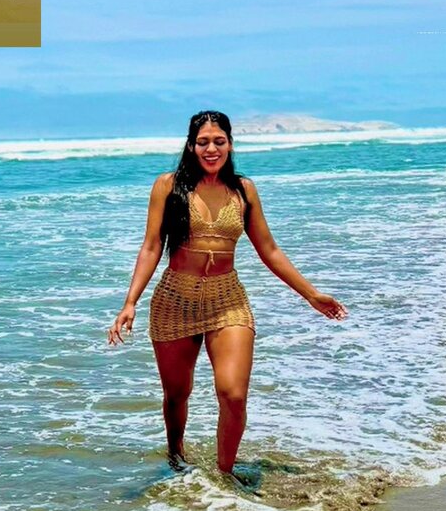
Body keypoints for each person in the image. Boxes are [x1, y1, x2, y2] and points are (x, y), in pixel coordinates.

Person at [107, 110, 348, 480]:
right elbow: (152, 246)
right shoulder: (167, 186)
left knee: (233, 394)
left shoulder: (243, 190)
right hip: (175, 299)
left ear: (230, 144)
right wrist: (130, 302)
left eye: (219, 141)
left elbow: (269, 250)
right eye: (203, 142)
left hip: (227, 299)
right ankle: (176, 457)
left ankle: (224, 476)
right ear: (191, 146)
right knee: (177, 394)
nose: (211, 149)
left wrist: (311, 295)